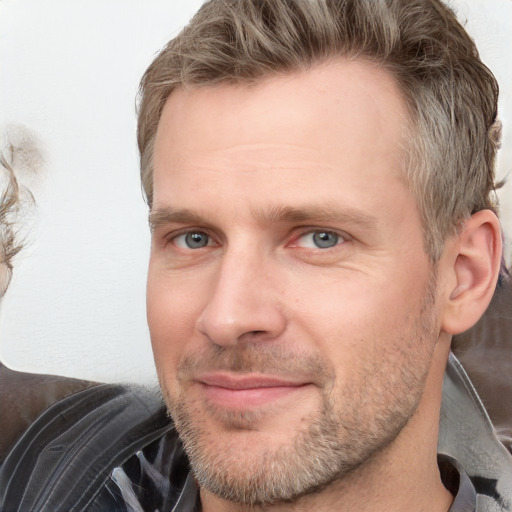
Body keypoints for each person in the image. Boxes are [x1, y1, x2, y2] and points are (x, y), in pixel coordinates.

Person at [1, 0, 511, 510]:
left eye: (319, 239)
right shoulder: (52, 468)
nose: (227, 317)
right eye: (194, 238)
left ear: (465, 275)